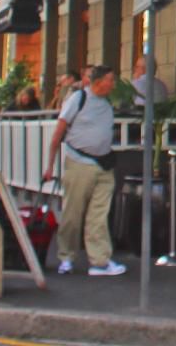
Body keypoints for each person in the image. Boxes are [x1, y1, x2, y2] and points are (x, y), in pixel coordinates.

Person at [42, 65, 126, 277]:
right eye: (111, 80)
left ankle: (99, 261)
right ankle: (66, 257)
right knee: (73, 212)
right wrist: (50, 165)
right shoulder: (78, 99)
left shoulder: (107, 102)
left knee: (99, 214)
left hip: (104, 164)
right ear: (99, 82)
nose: (114, 84)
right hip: (80, 162)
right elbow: (59, 131)